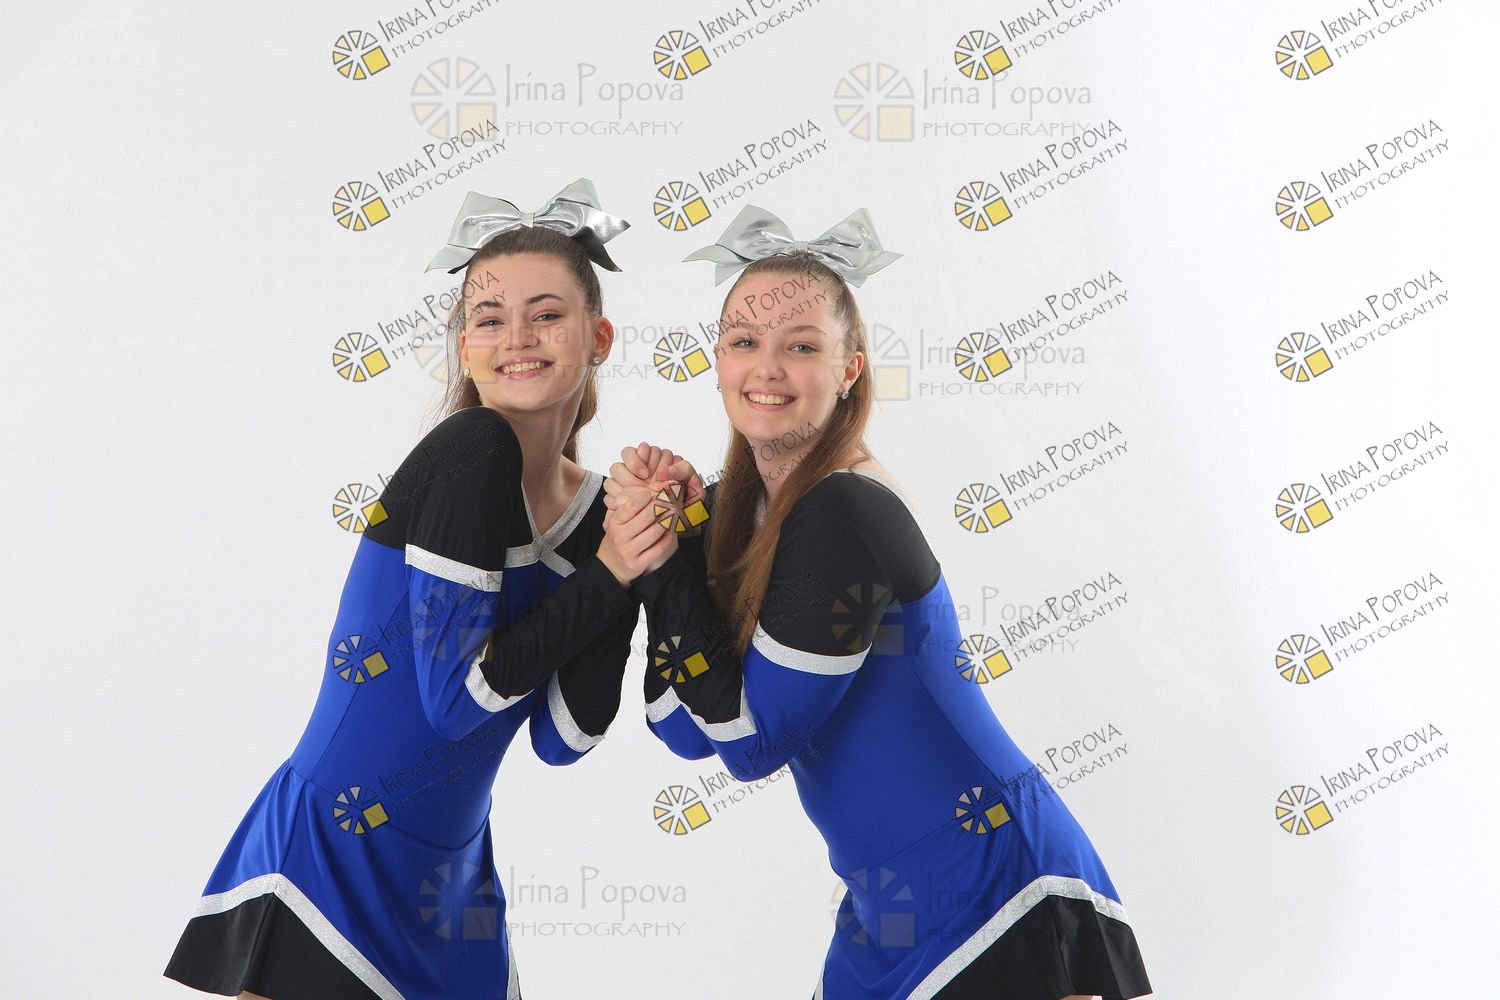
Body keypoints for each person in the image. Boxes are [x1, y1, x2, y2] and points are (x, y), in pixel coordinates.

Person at [603, 205, 1154, 1000]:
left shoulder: (843, 513)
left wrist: (661, 570)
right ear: (716, 360)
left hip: (994, 888)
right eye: (745, 342)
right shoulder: (746, 512)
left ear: (850, 369)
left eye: (802, 346)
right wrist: (684, 547)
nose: (767, 368)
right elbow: (685, 730)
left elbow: (752, 746)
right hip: (887, 911)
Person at [164, 179, 678, 1000]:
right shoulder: (469, 451)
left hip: (453, 883)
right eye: (489, 319)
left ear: (600, 336)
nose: (517, 338)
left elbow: (566, 736)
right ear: (464, 345)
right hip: (331, 861)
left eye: (546, 314)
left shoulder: (592, 510)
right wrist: (611, 571)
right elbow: (456, 701)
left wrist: (637, 554)